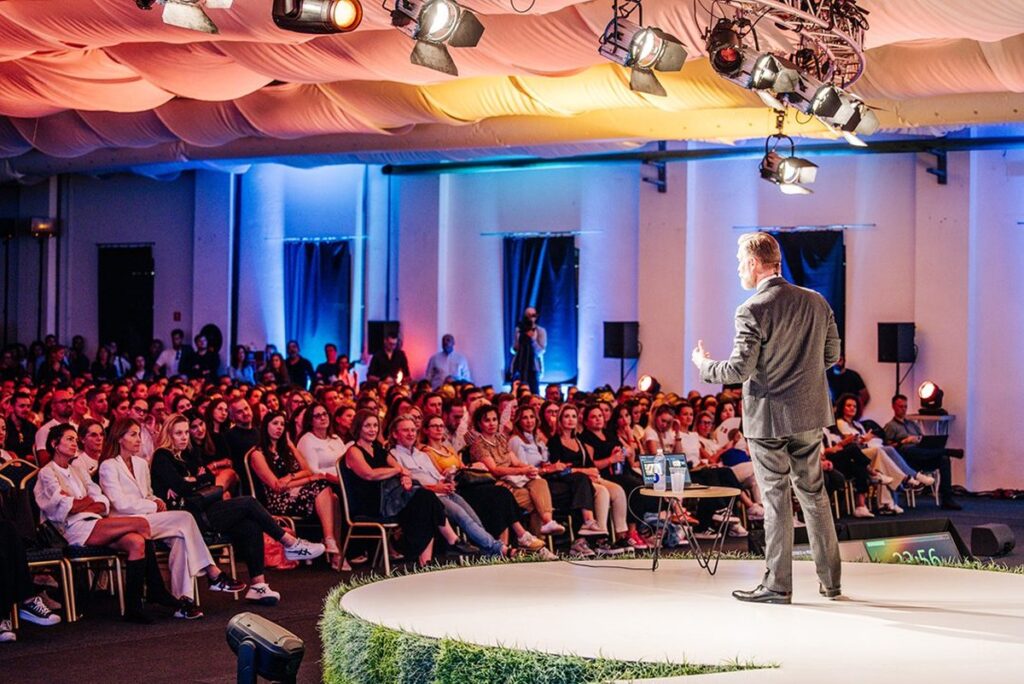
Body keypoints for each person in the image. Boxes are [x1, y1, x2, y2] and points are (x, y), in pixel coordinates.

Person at [692, 231, 841, 604]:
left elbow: (738, 370)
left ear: (754, 263)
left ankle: (777, 585)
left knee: (775, 499)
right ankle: (831, 582)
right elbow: (830, 357)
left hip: (769, 419)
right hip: (809, 415)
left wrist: (703, 365)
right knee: (814, 496)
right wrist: (801, 376)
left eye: (740, 262)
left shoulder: (752, 309)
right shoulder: (817, 301)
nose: (738, 269)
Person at [150, 414, 325, 605]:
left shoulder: (189, 454)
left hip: (204, 507)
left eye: (186, 432)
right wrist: (194, 481)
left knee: (250, 524)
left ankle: (258, 586)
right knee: (248, 503)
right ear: (168, 434)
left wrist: (193, 481)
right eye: (179, 433)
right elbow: (184, 487)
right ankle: (290, 543)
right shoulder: (162, 456)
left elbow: (209, 478)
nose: (184, 437)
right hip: (188, 518)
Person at [99, 418, 246, 617]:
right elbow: (120, 504)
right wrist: (154, 505)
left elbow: (148, 493)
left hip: (149, 518)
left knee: (181, 539)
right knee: (185, 518)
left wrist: (157, 499)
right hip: (127, 523)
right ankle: (212, 572)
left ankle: (182, 602)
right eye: (133, 435)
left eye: (139, 434)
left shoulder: (140, 463)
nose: (139, 439)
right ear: (119, 438)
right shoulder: (108, 466)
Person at [35, 423, 178, 624]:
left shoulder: (77, 469)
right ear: (54, 444)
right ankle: (157, 589)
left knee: (136, 542)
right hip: (69, 529)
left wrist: (82, 503)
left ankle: (134, 607)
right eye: (69, 439)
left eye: (75, 439)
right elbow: (63, 509)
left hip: (93, 522)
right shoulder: (47, 472)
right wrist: (83, 503)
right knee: (141, 524)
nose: (74, 443)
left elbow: (102, 502)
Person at [248, 411, 342, 569]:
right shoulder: (257, 454)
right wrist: (309, 479)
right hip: (278, 500)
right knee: (322, 486)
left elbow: (306, 470)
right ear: (266, 426)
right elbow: (277, 486)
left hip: (297, 494)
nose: (279, 427)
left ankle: (332, 544)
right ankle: (331, 544)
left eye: (282, 424)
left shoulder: (286, 450)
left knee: (334, 498)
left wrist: (291, 454)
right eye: (275, 423)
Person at [883, 393, 960, 510]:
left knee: (944, 459)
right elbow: (887, 447)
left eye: (905, 406)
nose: (903, 409)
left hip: (922, 454)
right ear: (893, 407)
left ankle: (947, 498)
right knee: (908, 449)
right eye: (900, 406)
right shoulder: (890, 426)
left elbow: (922, 438)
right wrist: (903, 441)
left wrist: (920, 440)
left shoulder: (912, 424)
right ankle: (944, 451)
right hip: (906, 460)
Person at [510, 307, 547, 378]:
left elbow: (541, 351)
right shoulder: (519, 330)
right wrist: (517, 342)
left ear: (536, 317)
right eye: (528, 315)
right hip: (519, 366)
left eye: (533, 315)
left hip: (534, 367)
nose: (530, 318)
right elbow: (513, 350)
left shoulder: (540, 331)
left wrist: (533, 339)